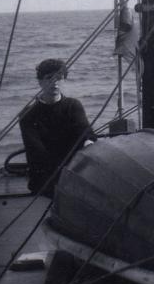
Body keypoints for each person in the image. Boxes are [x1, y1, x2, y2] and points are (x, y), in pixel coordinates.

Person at [19, 58, 96, 197]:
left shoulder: (73, 106)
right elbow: (37, 151)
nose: (55, 83)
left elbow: (86, 133)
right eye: (49, 78)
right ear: (40, 82)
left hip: (74, 171)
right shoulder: (28, 114)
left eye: (59, 78)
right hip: (45, 177)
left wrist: (88, 143)